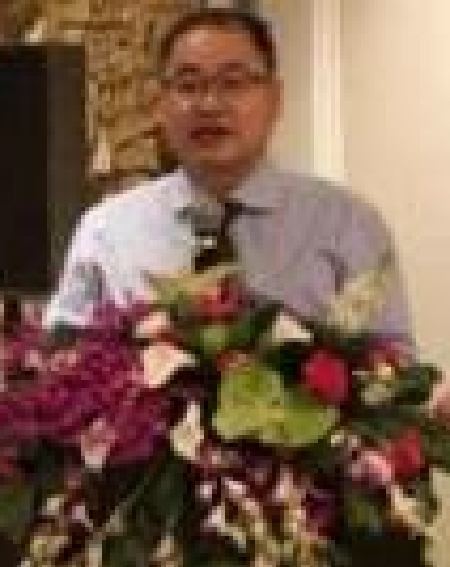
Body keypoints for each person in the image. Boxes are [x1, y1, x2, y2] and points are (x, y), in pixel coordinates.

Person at [44, 7, 412, 348]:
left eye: (233, 83)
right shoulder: (107, 232)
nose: (209, 104)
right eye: (188, 85)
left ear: (275, 100)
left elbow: (395, 369)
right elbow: (60, 365)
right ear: (160, 105)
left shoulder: (345, 223)